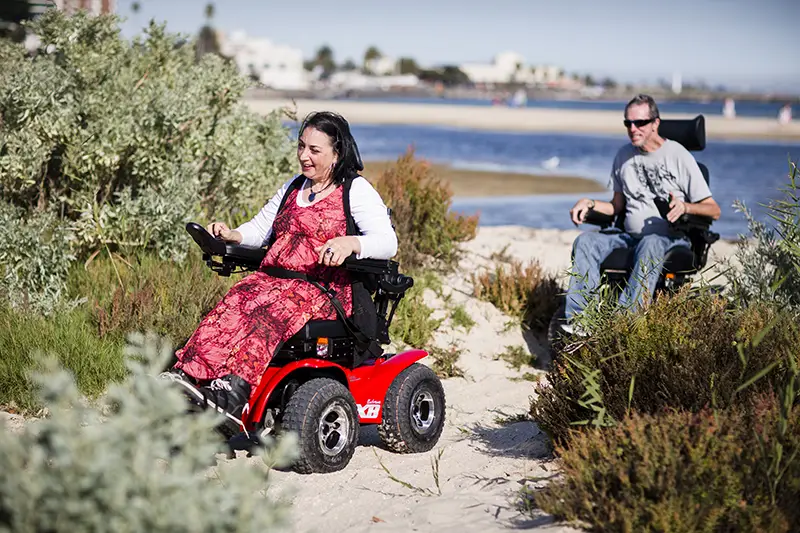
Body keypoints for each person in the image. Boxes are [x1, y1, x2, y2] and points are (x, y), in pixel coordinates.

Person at [162, 111, 398, 428]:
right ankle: (188, 379)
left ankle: (232, 395)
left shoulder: (354, 190)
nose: (304, 156)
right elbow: (261, 228)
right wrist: (233, 235)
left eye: (314, 150)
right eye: (301, 146)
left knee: (265, 317)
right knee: (230, 307)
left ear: (337, 152)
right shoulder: (293, 187)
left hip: (322, 289)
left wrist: (350, 243)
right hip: (273, 280)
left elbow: (387, 242)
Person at [562, 94, 721, 333]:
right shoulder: (623, 156)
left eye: (640, 123)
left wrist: (686, 207)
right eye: (628, 123)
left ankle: (625, 322)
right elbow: (615, 207)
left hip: (670, 238)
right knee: (586, 241)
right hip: (628, 235)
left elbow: (714, 210)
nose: (633, 129)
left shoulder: (678, 156)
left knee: (651, 243)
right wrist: (589, 203)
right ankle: (581, 320)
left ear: (655, 123)